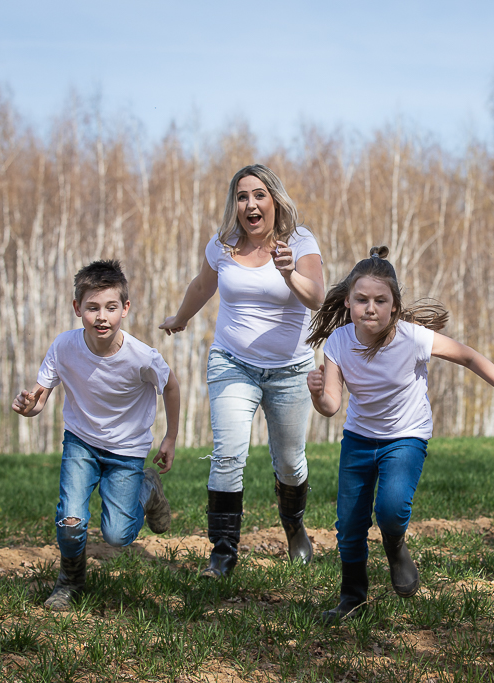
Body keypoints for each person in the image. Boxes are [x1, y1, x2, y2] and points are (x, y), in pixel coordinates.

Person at [306, 246, 494, 622]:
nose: (370, 308)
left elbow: (469, 356)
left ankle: (395, 545)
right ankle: (352, 599)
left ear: (395, 306)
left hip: (406, 437)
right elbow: (331, 406)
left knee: (391, 510)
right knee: (349, 524)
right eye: (362, 299)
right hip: (359, 439)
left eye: (380, 300)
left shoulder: (413, 338)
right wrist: (318, 394)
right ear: (347, 302)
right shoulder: (338, 343)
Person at [160, 164, 325, 578]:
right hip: (232, 363)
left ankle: (294, 526)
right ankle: (223, 553)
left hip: (290, 371)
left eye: (258, 195)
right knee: (228, 455)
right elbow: (202, 286)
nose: (250, 204)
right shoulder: (222, 245)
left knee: (290, 462)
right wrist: (180, 318)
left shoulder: (299, 241)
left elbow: (317, 298)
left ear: (275, 201)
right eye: (241, 196)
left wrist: (288, 272)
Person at [12, 259, 180, 610]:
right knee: (70, 521)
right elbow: (40, 397)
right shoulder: (64, 347)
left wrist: (170, 438)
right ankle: (70, 582)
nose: (102, 317)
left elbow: (171, 386)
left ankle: (147, 488)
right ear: (77, 308)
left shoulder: (141, 357)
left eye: (110, 307)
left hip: (126, 451)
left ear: (125, 308)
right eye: (92, 308)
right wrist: (29, 407)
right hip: (81, 443)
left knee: (118, 535)